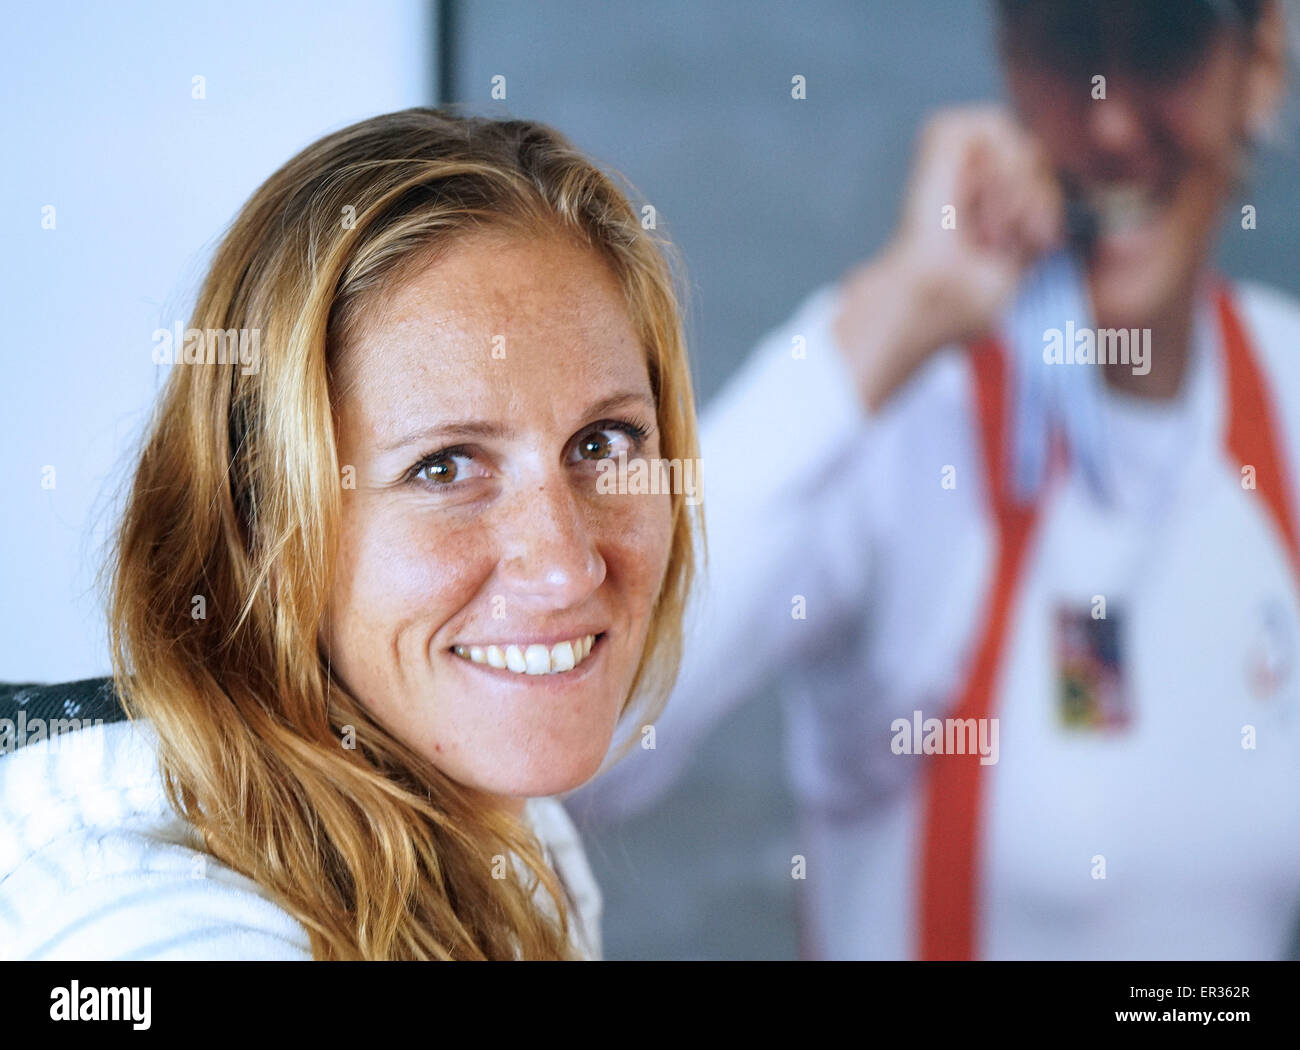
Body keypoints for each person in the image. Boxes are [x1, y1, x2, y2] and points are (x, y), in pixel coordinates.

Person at [568, 0, 1300, 959]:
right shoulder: (911, 409)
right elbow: (585, 742)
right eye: (1072, 41)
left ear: (1261, 67)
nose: (1113, 120)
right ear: (1007, 57)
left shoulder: (1286, 391)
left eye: (1168, 43)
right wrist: (901, 306)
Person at [0, 109, 702, 961]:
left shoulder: (496, 817)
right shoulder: (148, 922)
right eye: (444, 468)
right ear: (257, 517)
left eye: (603, 444)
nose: (564, 567)